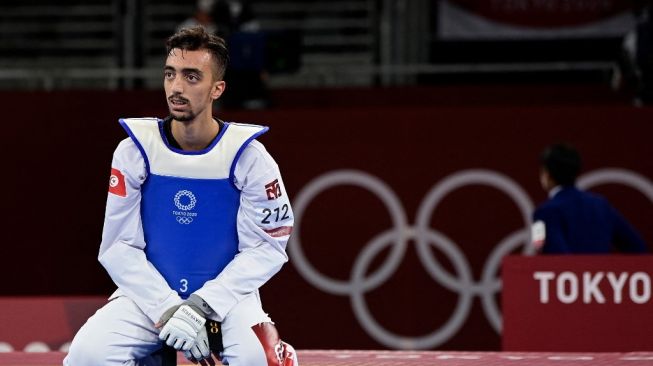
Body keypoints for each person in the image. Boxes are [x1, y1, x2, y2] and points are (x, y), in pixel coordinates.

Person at [64, 25, 297, 366]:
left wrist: (202, 306)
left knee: (257, 361)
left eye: (191, 77)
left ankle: (278, 351)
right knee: (87, 356)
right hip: (150, 297)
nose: (176, 87)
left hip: (228, 299)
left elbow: (267, 247)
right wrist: (170, 310)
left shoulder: (249, 157)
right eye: (170, 74)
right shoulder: (134, 151)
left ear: (217, 88)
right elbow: (117, 247)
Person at [531, 143, 648, 254]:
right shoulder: (601, 205)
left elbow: (552, 256)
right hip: (600, 274)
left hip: (567, 274)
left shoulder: (543, 213)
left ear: (547, 174)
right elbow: (638, 248)